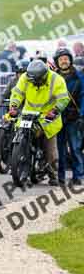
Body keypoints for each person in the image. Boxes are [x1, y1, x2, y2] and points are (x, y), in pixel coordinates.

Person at [8, 60, 68, 186]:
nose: (34, 83)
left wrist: (55, 111)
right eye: (32, 80)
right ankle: (18, 161)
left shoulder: (56, 79)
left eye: (36, 80)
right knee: (19, 134)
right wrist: (13, 106)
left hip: (47, 118)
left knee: (50, 150)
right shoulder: (26, 77)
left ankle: (53, 175)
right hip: (28, 114)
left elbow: (63, 99)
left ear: (43, 76)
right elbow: (17, 93)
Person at [0, 59, 30, 173]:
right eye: (20, 73)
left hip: (25, 113)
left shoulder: (31, 83)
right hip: (13, 111)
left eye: (24, 73)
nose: (21, 75)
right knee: (3, 127)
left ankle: (21, 162)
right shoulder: (13, 81)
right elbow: (4, 94)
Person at [53, 48, 84, 186]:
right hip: (57, 117)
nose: (64, 61)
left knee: (75, 148)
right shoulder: (53, 78)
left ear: (70, 60)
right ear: (57, 62)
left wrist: (82, 115)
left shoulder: (79, 77)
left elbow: (83, 97)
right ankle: (60, 177)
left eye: (66, 58)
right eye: (61, 59)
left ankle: (78, 176)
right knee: (60, 150)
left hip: (74, 118)